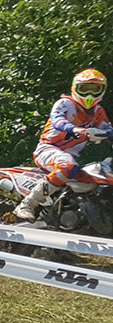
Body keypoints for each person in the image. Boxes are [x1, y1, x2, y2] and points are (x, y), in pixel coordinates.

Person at [16, 69, 113, 220]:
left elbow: (107, 129)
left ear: (102, 90)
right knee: (67, 166)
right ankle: (28, 204)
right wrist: (75, 129)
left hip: (73, 156)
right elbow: (57, 120)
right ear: (75, 88)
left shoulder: (98, 111)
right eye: (85, 88)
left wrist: (107, 134)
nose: (89, 94)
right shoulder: (65, 104)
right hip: (48, 149)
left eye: (95, 89)